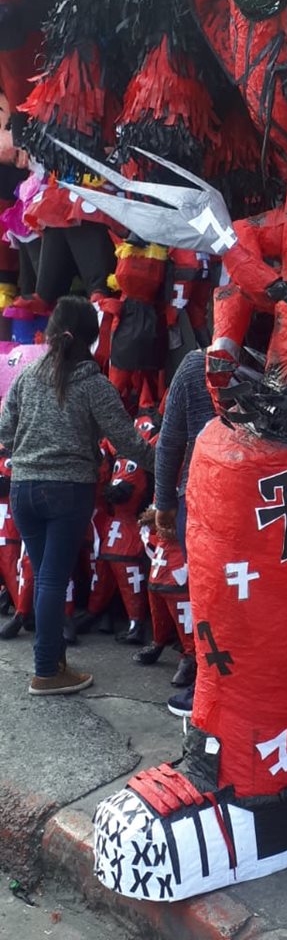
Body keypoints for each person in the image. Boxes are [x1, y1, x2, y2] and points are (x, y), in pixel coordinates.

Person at [0, 295, 154, 696]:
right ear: (93, 337)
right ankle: (47, 670)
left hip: (23, 489)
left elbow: (3, 432)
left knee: (44, 572)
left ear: (51, 334)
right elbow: (127, 443)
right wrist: (167, 467)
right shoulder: (94, 385)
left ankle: (52, 658)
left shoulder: (27, 378)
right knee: (52, 578)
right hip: (67, 491)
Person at [145, 347, 215, 716]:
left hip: (204, 494)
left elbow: (170, 442)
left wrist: (164, 502)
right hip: (267, 501)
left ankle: (208, 688)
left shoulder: (196, 363)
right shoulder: (282, 362)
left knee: (207, 598)